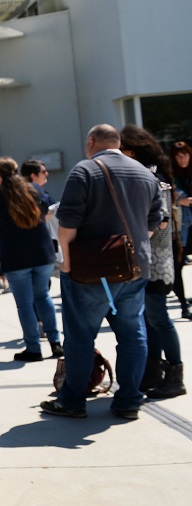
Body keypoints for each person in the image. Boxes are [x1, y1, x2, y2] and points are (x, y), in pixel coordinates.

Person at [42, 124, 163, 420]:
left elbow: (67, 225)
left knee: (80, 338)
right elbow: (154, 223)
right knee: (133, 335)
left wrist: (66, 264)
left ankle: (72, 401)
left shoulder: (85, 171)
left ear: (92, 141)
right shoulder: (145, 173)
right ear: (118, 143)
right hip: (134, 268)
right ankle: (129, 401)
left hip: (89, 271)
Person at [120, 125, 183, 399]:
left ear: (132, 152)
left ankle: (174, 376)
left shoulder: (155, 179)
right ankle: (153, 372)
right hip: (152, 261)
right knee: (151, 319)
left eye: (121, 151)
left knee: (159, 318)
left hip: (156, 262)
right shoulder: (149, 176)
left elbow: (161, 221)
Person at [0, 158, 61, 361]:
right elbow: (47, 210)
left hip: (16, 255)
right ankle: (56, 343)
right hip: (42, 252)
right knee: (43, 297)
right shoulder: (35, 190)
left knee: (25, 305)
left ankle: (34, 348)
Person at [172, 140, 192, 318]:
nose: (183, 159)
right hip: (180, 227)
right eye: (179, 156)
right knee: (177, 265)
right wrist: (179, 199)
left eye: (185, 155)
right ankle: (183, 304)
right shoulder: (170, 175)